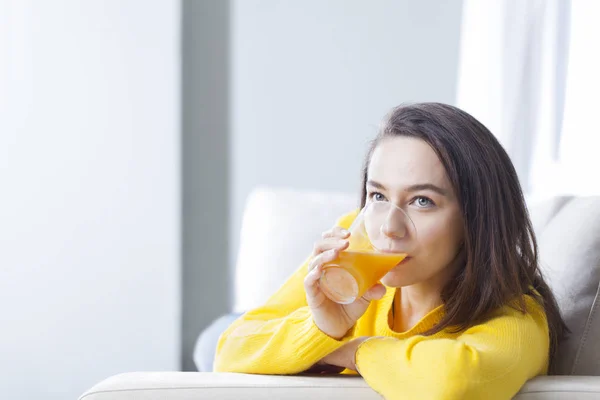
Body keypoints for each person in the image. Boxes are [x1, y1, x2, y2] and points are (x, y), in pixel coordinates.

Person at [214, 103, 568, 399]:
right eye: (378, 196)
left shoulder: (517, 315)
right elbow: (231, 348)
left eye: (422, 201)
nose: (388, 228)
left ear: (477, 218)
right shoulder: (358, 242)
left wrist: (349, 350)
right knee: (213, 335)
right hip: (262, 324)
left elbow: (455, 383)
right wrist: (322, 327)